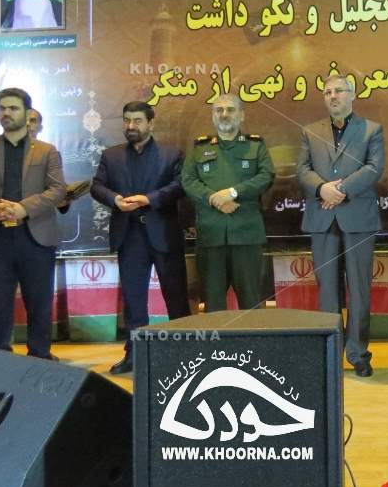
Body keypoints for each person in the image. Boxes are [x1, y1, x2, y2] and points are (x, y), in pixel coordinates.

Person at [0, 87, 66, 390]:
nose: (6, 113)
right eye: (2, 108)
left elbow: (58, 190)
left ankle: (40, 368)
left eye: (13, 108)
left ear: (28, 113)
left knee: (39, 305)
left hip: (35, 238)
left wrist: (23, 208)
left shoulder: (47, 151)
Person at [91, 101, 191, 374]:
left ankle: (185, 353)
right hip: (129, 236)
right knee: (134, 300)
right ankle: (135, 354)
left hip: (164, 234)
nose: (131, 126)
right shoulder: (111, 155)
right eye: (127, 120)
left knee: (176, 298)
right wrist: (115, 200)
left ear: (151, 123)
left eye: (137, 120)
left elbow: (180, 186)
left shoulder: (171, 153)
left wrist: (150, 199)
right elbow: (97, 187)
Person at [297, 75, 384, 377]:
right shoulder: (310, 131)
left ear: (352, 95)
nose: (332, 96)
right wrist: (322, 189)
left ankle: (358, 354)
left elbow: (374, 167)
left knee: (359, 289)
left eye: (338, 91)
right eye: (327, 92)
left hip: (358, 218)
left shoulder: (371, 129)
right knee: (328, 291)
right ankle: (331, 354)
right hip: (323, 219)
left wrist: (341, 190)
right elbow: (302, 169)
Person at [182, 93, 275, 313]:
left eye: (230, 109)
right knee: (213, 305)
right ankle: (217, 340)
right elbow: (188, 180)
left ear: (241, 115)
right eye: (219, 110)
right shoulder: (199, 147)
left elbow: (266, 176)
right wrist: (214, 199)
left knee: (251, 303)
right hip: (211, 235)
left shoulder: (256, 146)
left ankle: (252, 338)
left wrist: (233, 193)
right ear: (213, 116)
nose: (224, 114)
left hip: (246, 235)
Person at [26, 109, 87, 212]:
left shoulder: (50, 153)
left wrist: (65, 198)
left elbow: (59, 196)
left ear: (40, 128)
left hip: (40, 217)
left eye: (32, 120)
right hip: (7, 214)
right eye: (23, 121)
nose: (27, 124)